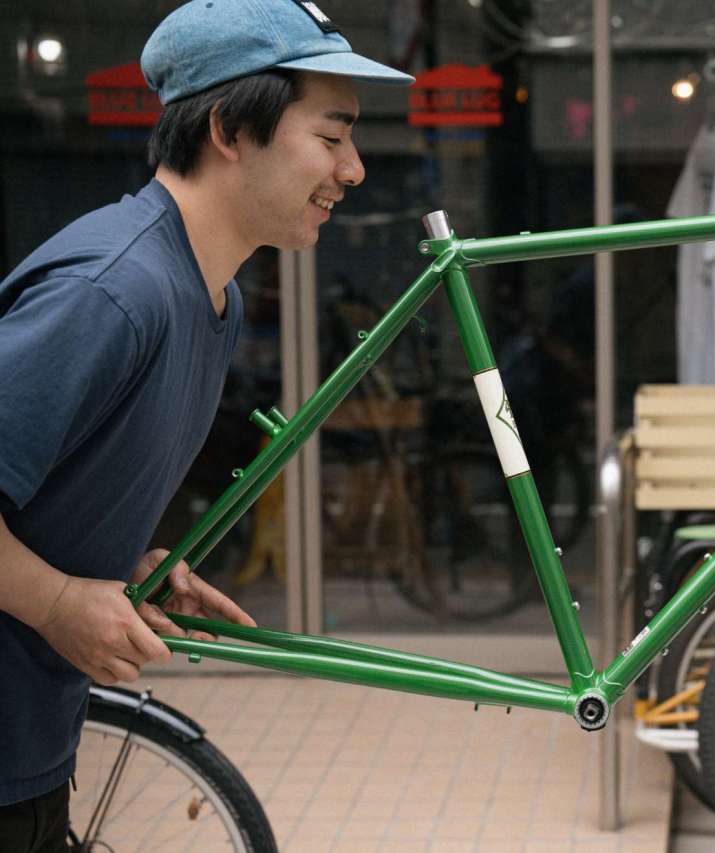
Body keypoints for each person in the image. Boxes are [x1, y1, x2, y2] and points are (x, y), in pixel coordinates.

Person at [0, 2, 412, 849]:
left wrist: (118, 563)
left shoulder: (208, 295)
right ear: (229, 128)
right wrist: (58, 600)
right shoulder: (114, 291)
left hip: (32, 747)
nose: (354, 169)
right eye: (330, 136)